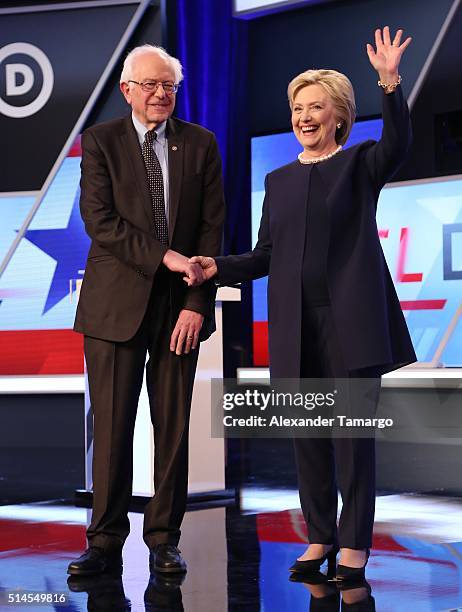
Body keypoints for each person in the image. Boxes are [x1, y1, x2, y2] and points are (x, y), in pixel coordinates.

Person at [190, 27, 415, 581]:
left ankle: (355, 546)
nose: (304, 116)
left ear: (338, 116)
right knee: (308, 440)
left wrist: (389, 82)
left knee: (351, 442)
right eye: (297, 107)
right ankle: (319, 537)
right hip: (296, 326)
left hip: (352, 325)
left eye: (316, 107)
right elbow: (268, 254)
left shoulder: (362, 162)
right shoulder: (278, 180)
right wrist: (219, 265)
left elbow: (399, 143)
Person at [68, 44, 225, 576]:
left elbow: (211, 231)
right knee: (112, 429)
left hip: (179, 309)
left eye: (170, 86)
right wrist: (166, 257)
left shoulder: (199, 144)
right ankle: (104, 540)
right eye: (152, 85)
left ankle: (164, 538)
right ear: (128, 89)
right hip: (115, 307)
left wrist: (197, 303)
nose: (162, 95)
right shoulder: (101, 142)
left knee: (174, 429)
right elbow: (101, 222)